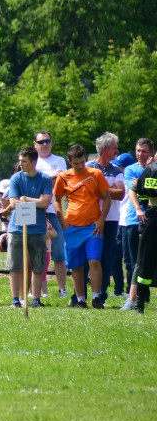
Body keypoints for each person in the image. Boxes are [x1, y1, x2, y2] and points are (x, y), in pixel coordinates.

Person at [53, 144, 111, 309]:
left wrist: (101, 220)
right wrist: (62, 220)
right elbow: (56, 200)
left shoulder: (95, 174)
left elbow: (106, 198)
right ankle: (80, 300)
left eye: (82, 162)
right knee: (76, 265)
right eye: (76, 163)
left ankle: (97, 298)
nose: (79, 166)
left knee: (94, 261)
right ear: (69, 161)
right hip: (71, 228)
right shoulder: (63, 177)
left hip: (93, 227)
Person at [5, 146, 53, 308]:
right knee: (15, 265)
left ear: (33, 162)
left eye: (24, 161)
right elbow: (13, 202)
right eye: (19, 161)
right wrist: (36, 201)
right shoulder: (16, 179)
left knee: (38, 266)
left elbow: (46, 202)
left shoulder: (45, 179)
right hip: (17, 229)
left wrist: (25, 199)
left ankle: (35, 299)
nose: (20, 164)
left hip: (38, 229)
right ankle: (15, 300)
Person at [86, 132, 125, 305]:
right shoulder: (87, 167)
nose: (117, 150)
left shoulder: (116, 170)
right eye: (115, 147)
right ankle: (81, 295)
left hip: (110, 220)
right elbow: (84, 191)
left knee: (106, 258)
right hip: (89, 218)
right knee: (87, 258)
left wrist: (100, 190)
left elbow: (120, 193)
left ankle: (101, 295)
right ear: (105, 149)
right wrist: (108, 189)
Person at [120, 138, 155, 310]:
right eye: (138, 151)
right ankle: (134, 299)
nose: (140, 154)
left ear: (152, 153)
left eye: (144, 151)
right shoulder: (135, 170)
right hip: (139, 219)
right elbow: (135, 190)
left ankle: (141, 297)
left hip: (149, 217)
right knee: (136, 262)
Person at [34, 131, 69, 297]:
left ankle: (62, 288)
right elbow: (34, 180)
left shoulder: (59, 160)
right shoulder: (32, 160)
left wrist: (40, 178)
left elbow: (61, 179)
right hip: (35, 211)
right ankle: (38, 291)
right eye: (41, 142)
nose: (45, 144)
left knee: (59, 253)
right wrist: (50, 176)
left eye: (47, 141)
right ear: (35, 144)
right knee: (35, 251)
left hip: (54, 211)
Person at [127, 153, 157, 313]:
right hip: (152, 216)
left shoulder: (150, 168)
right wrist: (139, 208)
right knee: (145, 260)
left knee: (145, 259)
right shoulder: (151, 169)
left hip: (152, 215)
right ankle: (140, 301)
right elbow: (136, 190)